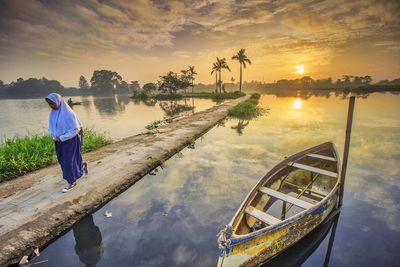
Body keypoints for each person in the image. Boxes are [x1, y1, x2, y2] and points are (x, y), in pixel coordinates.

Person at [45, 93, 88, 193]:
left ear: (58, 102)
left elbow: (75, 129)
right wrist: (54, 136)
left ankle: (72, 182)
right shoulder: (52, 113)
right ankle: (81, 165)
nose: (51, 106)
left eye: (52, 104)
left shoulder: (69, 114)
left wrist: (62, 137)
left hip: (70, 141)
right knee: (62, 160)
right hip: (58, 141)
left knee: (67, 162)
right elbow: (51, 127)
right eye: (49, 104)